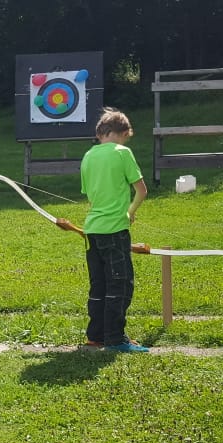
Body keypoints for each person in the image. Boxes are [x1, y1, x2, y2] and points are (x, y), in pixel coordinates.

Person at [80, 108, 149, 353]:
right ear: (121, 133)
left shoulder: (88, 156)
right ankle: (115, 338)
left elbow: (90, 194)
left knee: (98, 285)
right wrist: (130, 212)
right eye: (125, 137)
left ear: (100, 133)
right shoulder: (122, 153)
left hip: (92, 231)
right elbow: (141, 190)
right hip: (115, 230)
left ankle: (95, 336)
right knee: (120, 284)